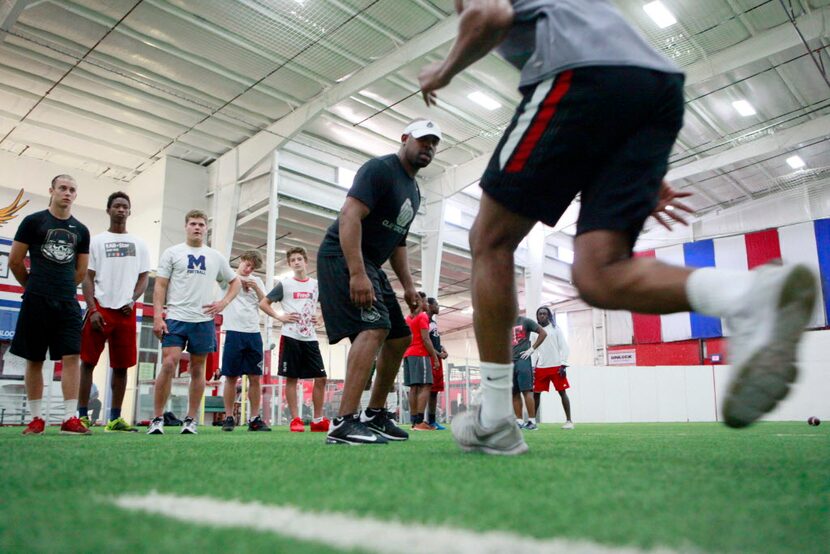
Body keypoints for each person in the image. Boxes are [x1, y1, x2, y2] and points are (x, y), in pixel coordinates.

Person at [419, 0, 817, 455]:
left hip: (583, 77)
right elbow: (618, 73)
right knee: (599, 275)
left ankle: (493, 417)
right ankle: (750, 297)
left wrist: (443, 70)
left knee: (490, 240)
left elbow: (487, 16)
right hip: (654, 92)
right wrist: (638, 170)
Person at [317, 119, 441, 445]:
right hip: (343, 256)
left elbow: (397, 242)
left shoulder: (413, 191)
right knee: (374, 327)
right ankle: (343, 423)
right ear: (404, 139)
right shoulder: (380, 169)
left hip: (371, 261)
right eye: (422, 140)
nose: (428, 147)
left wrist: (409, 285)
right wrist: (357, 273)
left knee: (399, 337)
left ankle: (374, 414)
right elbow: (349, 216)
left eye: (434, 143)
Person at [10, 174, 91, 435]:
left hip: (67, 302)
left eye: (72, 190)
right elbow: (15, 261)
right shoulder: (33, 222)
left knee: (72, 356)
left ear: (76, 195)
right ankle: (36, 420)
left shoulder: (82, 230)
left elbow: (80, 271)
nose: (67, 193)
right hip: (36, 300)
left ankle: (69, 418)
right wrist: (34, 287)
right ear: (52, 191)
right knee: (34, 358)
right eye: (63, 188)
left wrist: (62, 287)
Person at [147, 210, 240, 435]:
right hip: (176, 317)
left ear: (206, 228)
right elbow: (160, 285)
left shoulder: (215, 256)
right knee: (169, 363)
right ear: (186, 226)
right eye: (193, 224)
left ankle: (190, 419)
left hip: (203, 320)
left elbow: (235, 282)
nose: (197, 228)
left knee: (199, 369)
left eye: (201, 224)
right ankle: (157, 418)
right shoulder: (172, 253)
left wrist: (223, 303)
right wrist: (158, 316)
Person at [78, 191, 149, 432]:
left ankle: (115, 418)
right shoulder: (96, 241)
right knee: (88, 363)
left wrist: (132, 299)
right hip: (100, 309)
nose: (120, 210)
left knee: (122, 366)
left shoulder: (140, 243)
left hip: (126, 312)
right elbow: (87, 277)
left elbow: (144, 277)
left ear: (129, 212)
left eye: (125, 207)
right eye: (116, 206)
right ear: (108, 210)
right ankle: (81, 417)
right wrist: (92, 308)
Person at [259, 247, 329, 433]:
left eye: (300, 259)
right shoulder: (285, 284)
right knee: (292, 378)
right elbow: (264, 303)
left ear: (306, 262)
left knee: (321, 378)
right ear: (290, 264)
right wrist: (279, 317)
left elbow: (330, 303)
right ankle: (296, 420)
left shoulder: (315, 284)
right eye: (293, 260)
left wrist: (320, 319)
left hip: (311, 338)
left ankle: (318, 420)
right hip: (291, 336)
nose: (297, 262)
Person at [219, 250, 270, 432]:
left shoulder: (258, 281)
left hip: (253, 332)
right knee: (231, 377)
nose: (248, 269)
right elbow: (217, 273)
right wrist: (238, 282)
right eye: (247, 264)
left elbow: (266, 303)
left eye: (252, 267)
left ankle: (254, 418)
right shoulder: (229, 278)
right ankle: (229, 417)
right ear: (241, 261)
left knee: (255, 377)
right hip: (234, 331)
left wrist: (255, 287)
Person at [402, 292, 440, 430]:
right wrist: (435, 358)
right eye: (424, 302)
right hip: (420, 354)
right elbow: (425, 339)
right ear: (420, 303)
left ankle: (414, 421)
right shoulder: (422, 316)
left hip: (408, 354)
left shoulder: (407, 318)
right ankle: (419, 422)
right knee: (426, 385)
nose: (426, 305)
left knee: (414, 387)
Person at [531, 307, 572, 429]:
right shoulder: (534, 332)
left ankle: (569, 421)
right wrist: (533, 367)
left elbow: (564, 347)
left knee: (562, 392)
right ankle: (532, 422)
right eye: (540, 314)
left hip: (556, 367)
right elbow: (533, 351)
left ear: (549, 315)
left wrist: (563, 364)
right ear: (537, 316)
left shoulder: (556, 329)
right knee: (536, 394)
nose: (542, 316)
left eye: (544, 314)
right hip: (541, 368)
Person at [511, 314, 546, 430]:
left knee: (527, 391)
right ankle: (519, 421)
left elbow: (543, 333)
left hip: (522, 360)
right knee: (514, 392)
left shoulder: (525, 321)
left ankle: (532, 421)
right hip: (509, 362)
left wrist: (531, 349)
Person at [426, 297, 449, 430]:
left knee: (435, 391)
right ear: (429, 306)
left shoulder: (434, 322)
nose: (438, 307)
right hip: (429, 358)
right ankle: (418, 420)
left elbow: (434, 341)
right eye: (436, 305)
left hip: (437, 358)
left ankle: (432, 421)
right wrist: (436, 354)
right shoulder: (425, 321)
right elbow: (425, 341)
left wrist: (442, 349)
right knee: (426, 389)